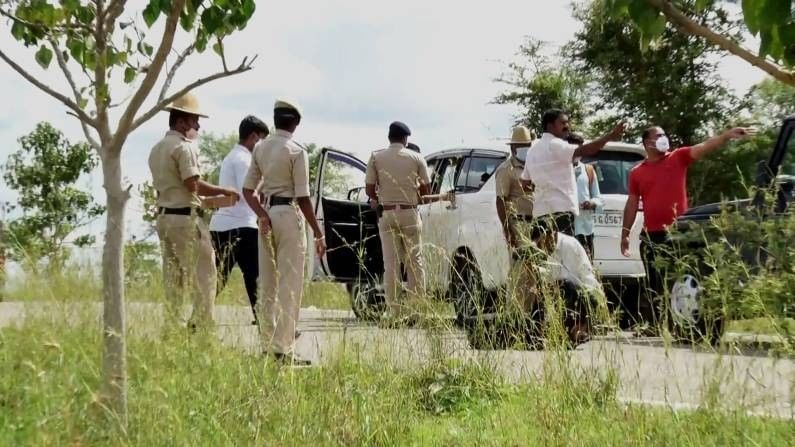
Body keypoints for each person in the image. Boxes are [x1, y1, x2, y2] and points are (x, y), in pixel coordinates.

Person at [620, 125, 756, 326]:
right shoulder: (637, 173)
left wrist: (726, 135)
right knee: (654, 281)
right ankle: (654, 325)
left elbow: (704, 146)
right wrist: (625, 233)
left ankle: (682, 323)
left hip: (679, 233)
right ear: (647, 142)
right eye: (659, 135)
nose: (664, 138)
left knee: (680, 278)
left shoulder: (678, 157)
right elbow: (632, 203)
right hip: (652, 235)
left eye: (664, 134)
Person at [242, 99, 326, 366]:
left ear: (276, 120)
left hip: (267, 218)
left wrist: (262, 215)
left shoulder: (260, 148)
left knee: (267, 283)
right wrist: (318, 231)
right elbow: (302, 197)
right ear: (296, 123)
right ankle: (283, 349)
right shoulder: (296, 151)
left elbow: (247, 191)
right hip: (289, 216)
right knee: (290, 284)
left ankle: (267, 344)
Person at [148, 92, 239, 329]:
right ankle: (201, 330)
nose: (197, 126)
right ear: (181, 122)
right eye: (194, 121)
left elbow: (169, 191)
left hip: (164, 218)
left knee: (173, 281)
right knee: (205, 278)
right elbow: (193, 185)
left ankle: (172, 330)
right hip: (185, 222)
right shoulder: (183, 148)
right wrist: (224, 190)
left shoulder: (156, 149)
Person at [365, 121, 453, 321]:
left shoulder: (376, 157)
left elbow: (369, 190)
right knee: (415, 263)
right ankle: (417, 311)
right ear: (405, 139)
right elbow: (426, 190)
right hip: (410, 213)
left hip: (387, 215)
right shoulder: (416, 157)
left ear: (389, 137)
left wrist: (381, 197)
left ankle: (394, 311)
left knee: (391, 265)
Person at [520, 109, 625, 237]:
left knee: (545, 256)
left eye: (567, 123)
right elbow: (585, 150)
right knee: (563, 255)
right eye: (563, 123)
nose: (567, 126)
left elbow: (524, 183)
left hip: (540, 214)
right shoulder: (556, 144)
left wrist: (542, 191)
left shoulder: (532, 150)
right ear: (550, 126)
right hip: (561, 215)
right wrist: (610, 136)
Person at [209, 115, 270, 325]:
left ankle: (198, 318)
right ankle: (264, 319)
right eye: (261, 140)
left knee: (219, 277)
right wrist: (264, 178)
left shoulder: (231, 157)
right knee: (255, 275)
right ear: (253, 137)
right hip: (241, 224)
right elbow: (248, 192)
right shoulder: (244, 159)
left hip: (224, 224)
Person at [534, 228, 602, 345]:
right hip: (570, 292)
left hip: (586, 295)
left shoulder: (568, 245)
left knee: (564, 287)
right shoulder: (552, 248)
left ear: (550, 234)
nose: (541, 248)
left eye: (541, 242)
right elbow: (552, 275)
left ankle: (582, 325)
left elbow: (566, 280)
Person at [495, 126, 535, 255]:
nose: (526, 149)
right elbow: (501, 200)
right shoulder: (506, 169)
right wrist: (508, 231)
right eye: (521, 146)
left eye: (528, 145)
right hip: (519, 225)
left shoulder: (534, 165)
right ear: (513, 148)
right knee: (522, 266)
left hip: (538, 224)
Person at [567, 133, 603, 259]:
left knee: (586, 267)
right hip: (565, 230)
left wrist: (592, 203)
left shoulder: (588, 170)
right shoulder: (558, 170)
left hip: (585, 228)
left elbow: (598, 198)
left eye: (580, 149)